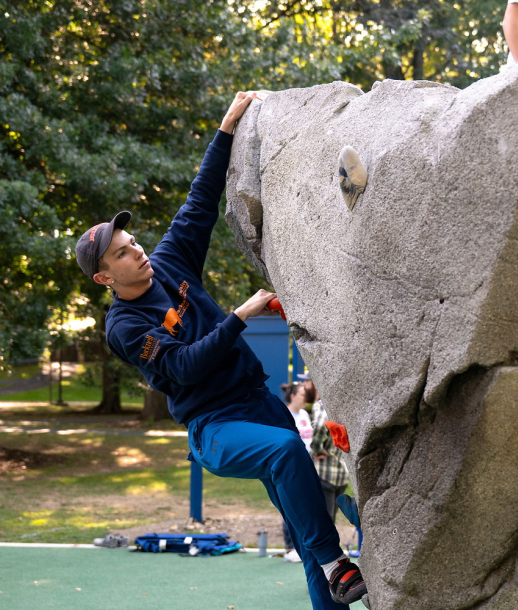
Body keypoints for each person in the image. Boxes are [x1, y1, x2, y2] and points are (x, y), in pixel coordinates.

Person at [74, 91, 366, 608]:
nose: (137, 252)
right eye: (122, 253)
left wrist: (226, 129)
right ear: (104, 276)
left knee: (307, 521)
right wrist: (241, 315)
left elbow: (199, 201)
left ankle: (334, 562)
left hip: (255, 400)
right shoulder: (124, 325)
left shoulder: (167, 262)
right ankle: (333, 561)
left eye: (134, 241)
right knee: (284, 454)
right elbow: (183, 368)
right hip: (215, 427)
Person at [299, 373, 349, 523]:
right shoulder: (338, 404)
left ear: (314, 383)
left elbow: (321, 426)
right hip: (340, 473)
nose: (304, 386)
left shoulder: (321, 404)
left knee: (323, 521)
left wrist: (316, 450)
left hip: (325, 472)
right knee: (330, 518)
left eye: (306, 382)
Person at [280, 382, 313, 563]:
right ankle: (290, 547)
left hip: (307, 465)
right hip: (291, 466)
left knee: (304, 505)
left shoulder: (304, 414)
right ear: (292, 396)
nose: (305, 397)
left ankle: (303, 545)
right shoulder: (284, 415)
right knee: (290, 504)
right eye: (302, 394)